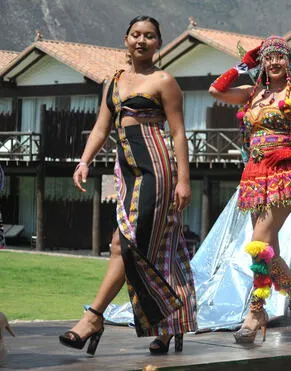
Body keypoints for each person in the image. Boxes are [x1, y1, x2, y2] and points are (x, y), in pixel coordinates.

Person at [59, 16, 197, 355]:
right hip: (127, 173)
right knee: (145, 248)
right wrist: (84, 160)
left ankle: (93, 317)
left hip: (157, 170)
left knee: (125, 245)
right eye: (136, 34)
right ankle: (169, 321)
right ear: (125, 40)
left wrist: (183, 180)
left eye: (149, 36)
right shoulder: (113, 82)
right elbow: (100, 129)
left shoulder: (164, 81)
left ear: (158, 44)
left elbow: (178, 133)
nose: (142, 41)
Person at [209, 36, 291, 343]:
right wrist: (243, 64)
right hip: (253, 174)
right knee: (268, 252)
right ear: (262, 63)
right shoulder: (254, 93)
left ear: (288, 62)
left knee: (257, 243)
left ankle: (255, 311)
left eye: (280, 57)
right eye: (268, 58)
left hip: (283, 174)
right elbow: (216, 90)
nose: (274, 62)